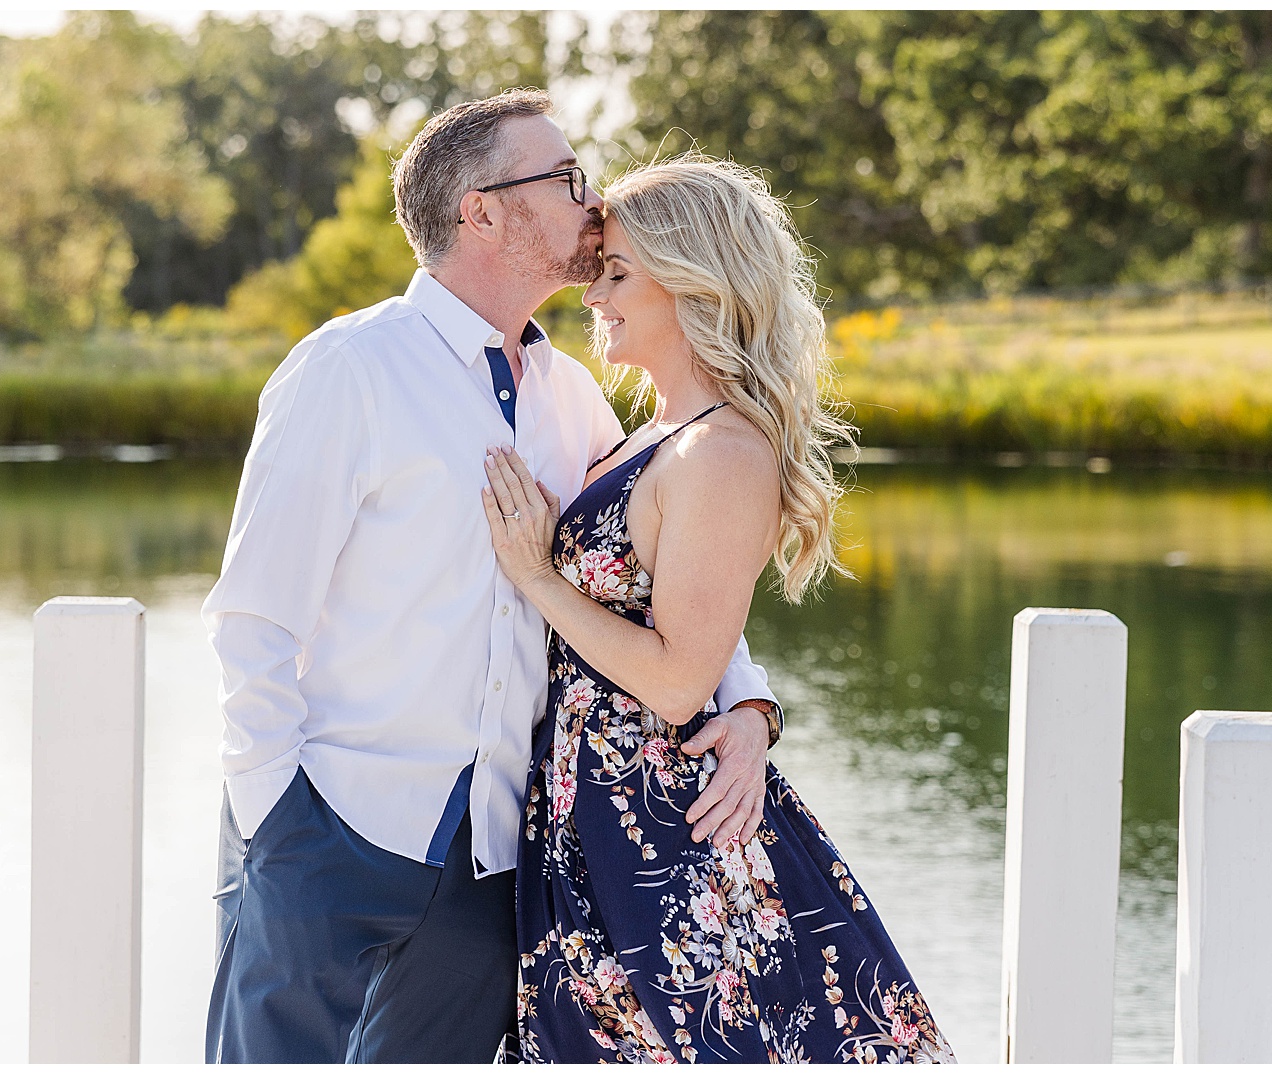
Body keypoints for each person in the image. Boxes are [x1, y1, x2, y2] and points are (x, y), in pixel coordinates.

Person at [201, 91, 786, 1064]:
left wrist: (751, 705)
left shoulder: (573, 396)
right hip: (330, 832)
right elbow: (251, 617)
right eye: (564, 180)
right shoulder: (347, 369)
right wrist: (278, 820)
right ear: (481, 209)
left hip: (495, 862)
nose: (590, 205)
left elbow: (661, 576)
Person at [481, 154, 956, 1063]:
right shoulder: (654, 435)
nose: (596, 296)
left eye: (618, 273)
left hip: (666, 829)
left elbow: (678, 677)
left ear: (693, 279)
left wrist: (537, 577)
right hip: (594, 811)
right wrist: (755, 705)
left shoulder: (724, 453)